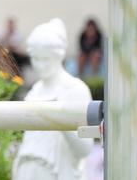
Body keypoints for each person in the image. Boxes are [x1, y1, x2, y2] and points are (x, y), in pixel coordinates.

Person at [12, 19, 94, 179]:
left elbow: (85, 148)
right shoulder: (34, 92)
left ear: (59, 56)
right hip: (27, 169)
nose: (40, 65)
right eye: (35, 58)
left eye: (45, 59)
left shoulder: (75, 89)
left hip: (57, 172)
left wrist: (60, 121)